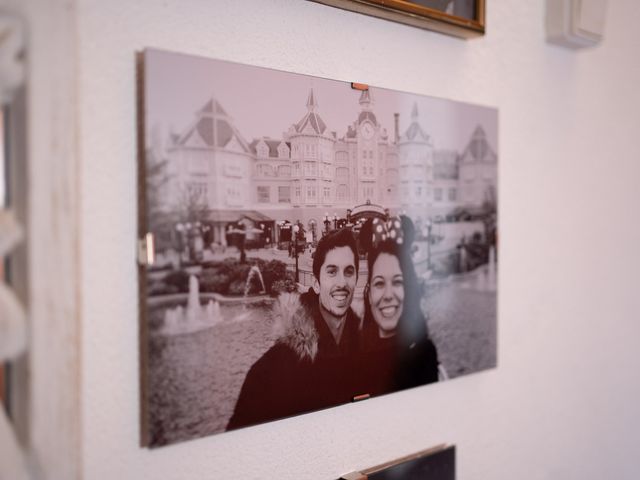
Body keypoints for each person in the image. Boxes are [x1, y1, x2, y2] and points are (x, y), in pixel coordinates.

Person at [226, 228, 362, 431]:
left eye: (349, 272)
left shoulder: (365, 349)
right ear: (316, 283)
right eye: (332, 272)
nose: (342, 283)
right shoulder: (271, 371)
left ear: (357, 279)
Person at [357, 216, 439, 397]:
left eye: (397, 282)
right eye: (379, 283)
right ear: (369, 294)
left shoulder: (423, 355)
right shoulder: (355, 355)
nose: (388, 295)